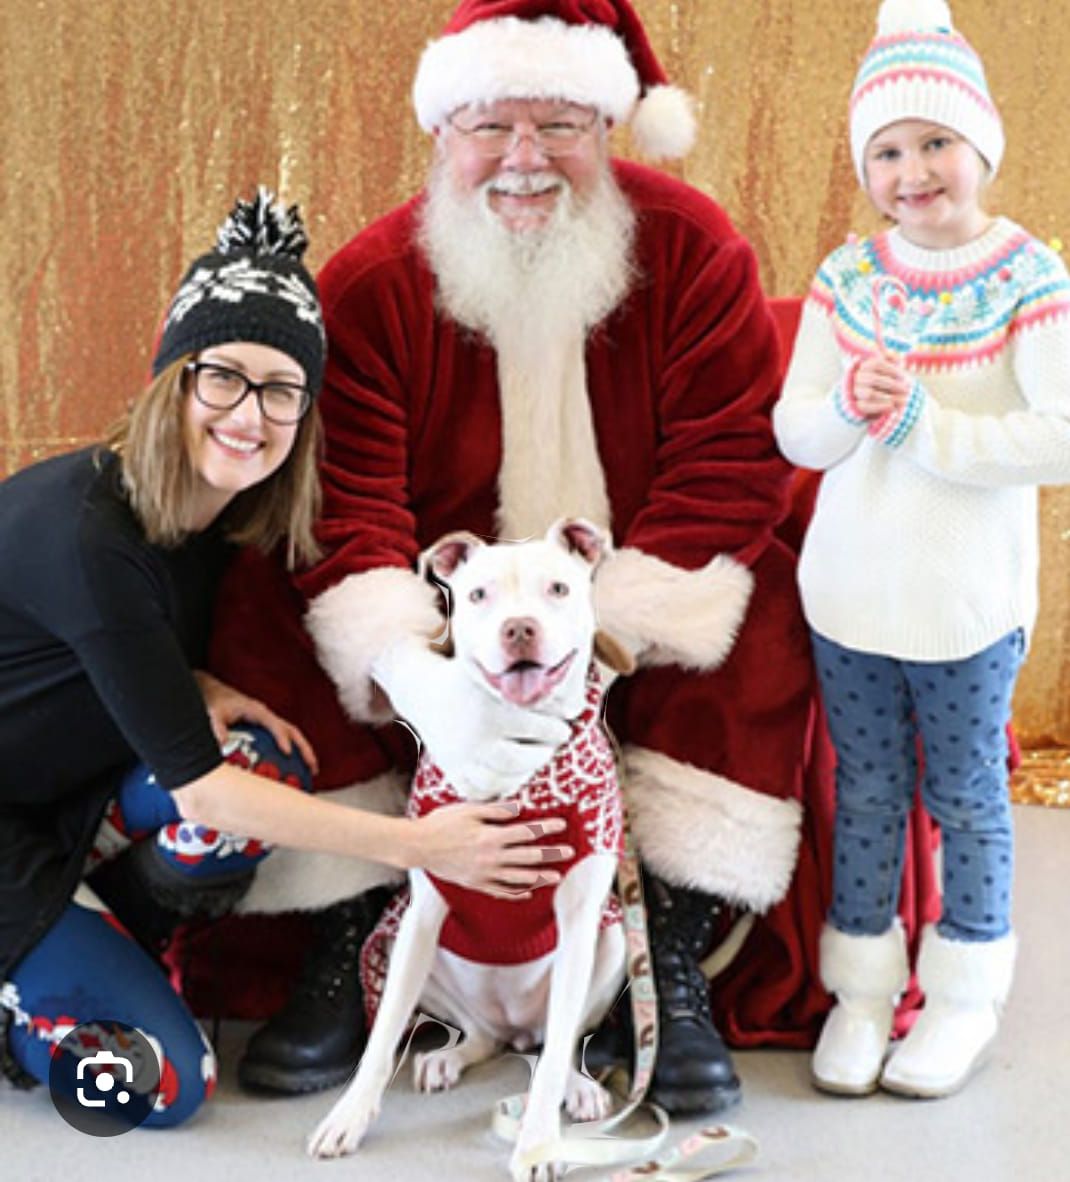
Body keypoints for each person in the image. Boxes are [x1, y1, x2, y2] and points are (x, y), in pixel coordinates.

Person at [209, 0, 888, 1117]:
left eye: (561, 124)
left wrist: (599, 638)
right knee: (282, 599)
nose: (523, 161)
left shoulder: (692, 247)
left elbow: (728, 465)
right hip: (451, 603)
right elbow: (347, 502)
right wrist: (425, 670)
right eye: (490, 124)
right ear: (441, 133)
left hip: (616, 595)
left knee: (756, 609)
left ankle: (659, 940)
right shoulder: (375, 280)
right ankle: (353, 927)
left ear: (609, 131)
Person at [0, 188, 568, 1127]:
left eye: (281, 389)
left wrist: (200, 681)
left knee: (267, 756)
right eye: (223, 376)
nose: (249, 414)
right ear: (174, 379)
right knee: (165, 1086)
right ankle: (31, 1004)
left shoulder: (208, 516)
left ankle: (103, 935)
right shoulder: (88, 534)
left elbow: (81, 656)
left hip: (56, 795)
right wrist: (421, 847)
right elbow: (203, 794)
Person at [774, 0, 1070, 1100]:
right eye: (887, 150)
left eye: (933, 142)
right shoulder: (848, 278)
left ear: (978, 147)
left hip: (963, 607)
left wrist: (922, 429)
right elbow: (793, 430)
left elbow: (1058, 435)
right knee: (865, 795)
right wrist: (849, 407)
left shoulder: (1027, 276)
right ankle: (859, 993)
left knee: (964, 799)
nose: (911, 171)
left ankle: (961, 1000)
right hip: (848, 599)